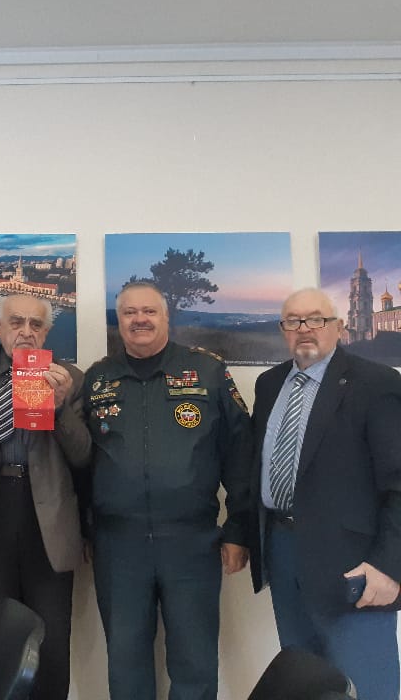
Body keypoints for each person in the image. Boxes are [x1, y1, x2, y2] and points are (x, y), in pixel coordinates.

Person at [83, 281, 251, 700]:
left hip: (191, 541)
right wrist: (85, 529)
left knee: (194, 661)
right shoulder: (98, 377)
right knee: (125, 660)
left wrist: (238, 530)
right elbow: (83, 459)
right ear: (119, 321)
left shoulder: (207, 371)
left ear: (166, 317)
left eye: (149, 311)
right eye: (129, 312)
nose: (139, 319)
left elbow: (241, 453)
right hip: (118, 545)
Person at [249, 288, 401, 700]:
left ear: (338, 326)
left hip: (352, 562)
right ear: (283, 330)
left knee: (365, 684)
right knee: (303, 681)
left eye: (316, 319)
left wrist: (389, 566)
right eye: (293, 321)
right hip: (283, 551)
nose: (304, 328)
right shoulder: (269, 384)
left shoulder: (377, 383)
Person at [0, 294, 90, 700]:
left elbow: (83, 456)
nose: (26, 331)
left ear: (47, 332)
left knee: (52, 641)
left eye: (36, 324)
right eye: (17, 322)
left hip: (49, 519)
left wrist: (59, 408)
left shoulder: (69, 378)